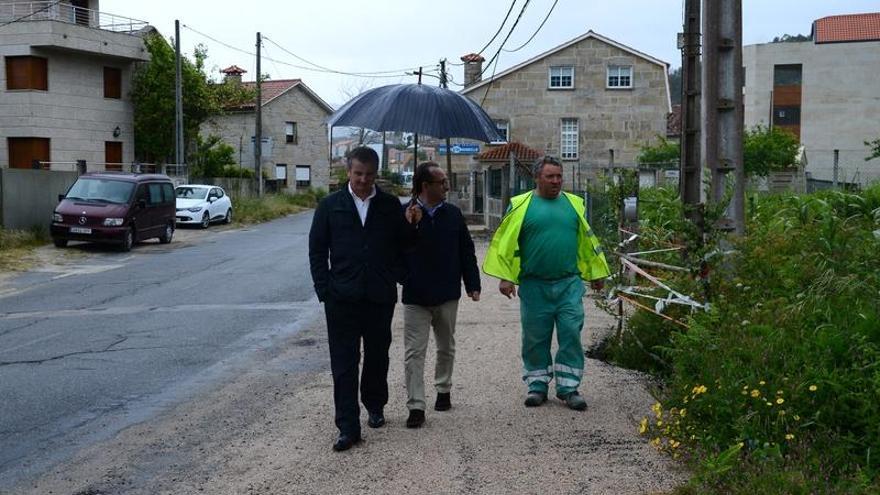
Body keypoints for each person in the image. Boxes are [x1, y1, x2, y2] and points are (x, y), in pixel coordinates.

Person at [308, 146, 421, 451]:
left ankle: (375, 404)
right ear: (348, 171)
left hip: (378, 296)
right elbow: (317, 251)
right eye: (358, 173)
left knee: (376, 356)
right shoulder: (330, 206)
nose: (363, 180)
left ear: (376, 174)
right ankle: (347, 426)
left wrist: (412, 223)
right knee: (344, 363)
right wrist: (324, 290)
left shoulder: (389, 206)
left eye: (369, 175)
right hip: (341, 298)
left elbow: (405, 247)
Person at [482, 155, 610, 410]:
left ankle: (569, 388)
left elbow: (586, 243)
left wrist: (596, 272)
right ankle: (537, 386)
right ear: (537, 178)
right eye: (550, 176)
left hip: (568, 284)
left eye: (559, 176)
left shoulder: (575, 204)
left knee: (571, 334)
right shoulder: (521, 205)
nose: (556, 181)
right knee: (535, 338)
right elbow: (507, 243)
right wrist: (506, 276)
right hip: (534, 285)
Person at [401, 162, 481, 429]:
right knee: (415, 352)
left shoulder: (453, 214)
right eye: (442, 182)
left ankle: (443, 388)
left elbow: (466, 251)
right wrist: (411, 228)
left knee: (446, 346)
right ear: (425, 186)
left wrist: (472, 283)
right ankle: (415, 405)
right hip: (416, 295)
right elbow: (396, 252)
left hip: (447, 292)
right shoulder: (405, 215)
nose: (447, 186)